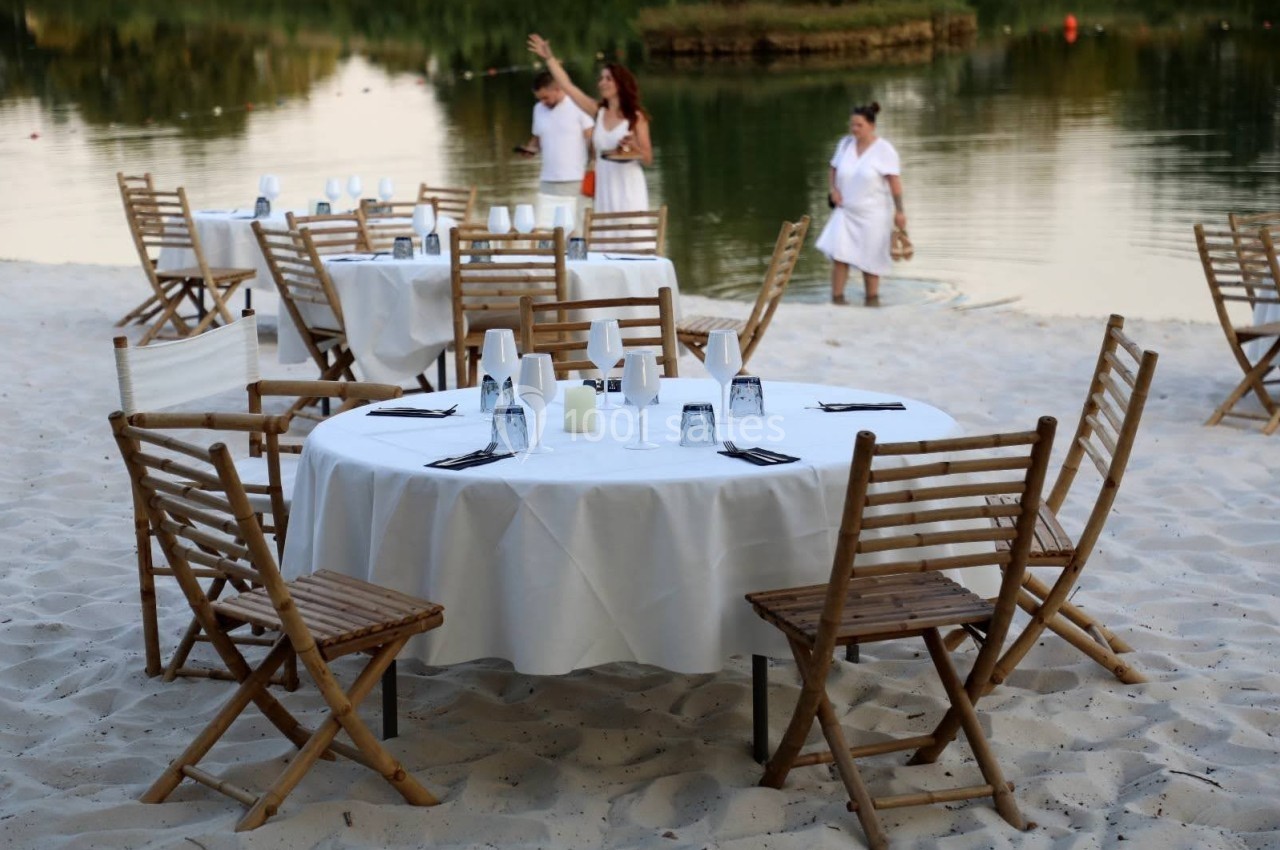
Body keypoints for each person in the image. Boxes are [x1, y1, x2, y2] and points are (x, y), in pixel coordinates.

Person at [527, 34, 652, 214]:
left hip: (628, 188)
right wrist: (549, 59)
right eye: (601, 79)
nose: (602, 83)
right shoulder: (597, 112)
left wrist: (634, 148)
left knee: (630, 237)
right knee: (603, 237)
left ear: (621, 84)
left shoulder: (636, 117)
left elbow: (647, 158)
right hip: (604, 188)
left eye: (608, 79)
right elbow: (568, 86)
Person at [814, 102, 906, 306]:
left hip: (874, 214)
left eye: (859, 125)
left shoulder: (884, 150)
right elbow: (833, 168)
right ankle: (837, 300)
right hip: (845, 211)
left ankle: (871, 301)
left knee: (870, 261)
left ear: (871, 126)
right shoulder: (845, 144)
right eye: (852, 125)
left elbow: (894, 182)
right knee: (839, 256)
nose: (854, 129)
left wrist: (899, 211)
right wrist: (833, 190)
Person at [518, 71, 594, 229]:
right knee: (545, 229)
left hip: (575, 179)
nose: (543, 102)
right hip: (547, 180)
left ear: (558, 88)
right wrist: (530, 149)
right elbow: (537, 138)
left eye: (546, 97)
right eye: (540, 99)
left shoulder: (578, 106)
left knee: (576, 229)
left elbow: (591, 138)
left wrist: (593, 167)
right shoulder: (538, 109)